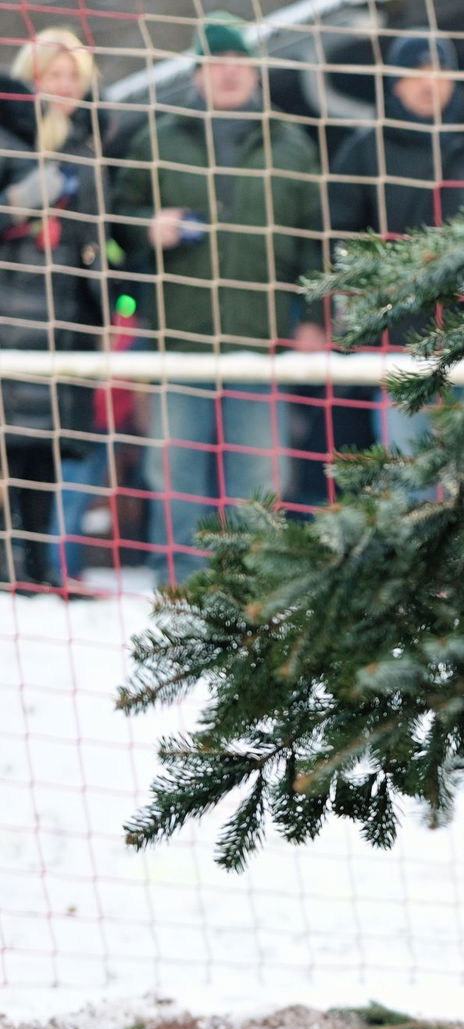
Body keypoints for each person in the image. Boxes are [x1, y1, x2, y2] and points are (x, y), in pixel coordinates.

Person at [111, 12, 329, 583]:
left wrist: (314, 319)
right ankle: (179, 585)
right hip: (174, 341)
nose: (229, 73)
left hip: (261, 343)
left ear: (254, 70)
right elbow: (113, 225)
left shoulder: (293, 144)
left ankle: (254, 587)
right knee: (173, 470)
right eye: (216, 63)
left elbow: (318, 244)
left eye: (239, 62)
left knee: (261, 479)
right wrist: (144, 226)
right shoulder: (155, 139)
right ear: (197, 73)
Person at [326, 33, 464, 467]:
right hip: (402, 342)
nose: (429, 82)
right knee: (408, 473)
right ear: (395, 84)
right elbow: (335, 235)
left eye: (438, 71)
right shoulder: (367, 149)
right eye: (415, 73)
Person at [0, 28, 106, 594]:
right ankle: (8, 563)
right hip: (9, 309)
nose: (65, 87)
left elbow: (100, 233)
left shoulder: (87, 142)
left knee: (48, 446)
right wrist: (16, 209)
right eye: (55, 75)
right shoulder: (6, 135)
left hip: (65, 313)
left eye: (74, 78)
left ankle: (42, 564)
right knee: (8, 442)